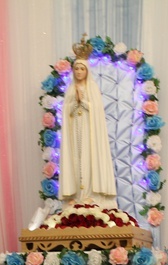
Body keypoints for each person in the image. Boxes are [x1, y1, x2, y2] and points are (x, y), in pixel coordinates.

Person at [59, 50, 117, 209]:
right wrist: (73, 103)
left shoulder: (92, 88)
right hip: (74, 130)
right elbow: (66, 111)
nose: (79, 72)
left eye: (82, 69)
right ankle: (76, 194)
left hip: (90, 133)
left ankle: (91, 195)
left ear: (87, 71)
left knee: (89, 159)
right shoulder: (70, 89)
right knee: (75, 160)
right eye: (76, 68)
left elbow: (96, 110)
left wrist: (82, 101)